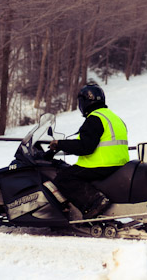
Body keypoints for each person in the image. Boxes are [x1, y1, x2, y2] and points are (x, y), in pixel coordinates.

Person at [49, 83, 129, 219]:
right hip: (119, 164)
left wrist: (60, 144)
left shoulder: (95, 119)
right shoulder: (113, 117)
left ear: (85, 102)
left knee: (64, 177)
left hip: (102, 164)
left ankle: (94, 202)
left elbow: (85, 147)